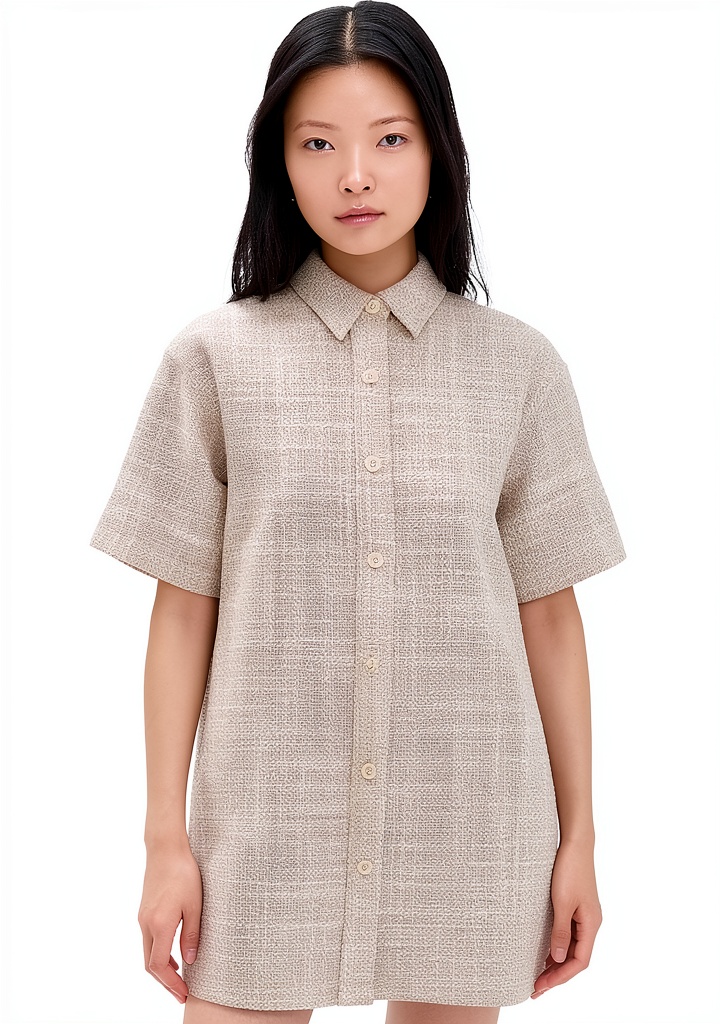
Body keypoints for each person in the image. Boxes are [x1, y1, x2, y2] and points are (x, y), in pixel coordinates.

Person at [89, 3, 627, 1023]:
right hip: (263, 828)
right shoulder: (213, 360)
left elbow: (551, 617)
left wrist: (580, 839)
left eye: (388, 139)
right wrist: (165, 838)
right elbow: (183, 608)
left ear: (438, 150)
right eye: (318, 144)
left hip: (471, 817)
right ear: (278, 164)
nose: (355, 177)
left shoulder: (519, 368)